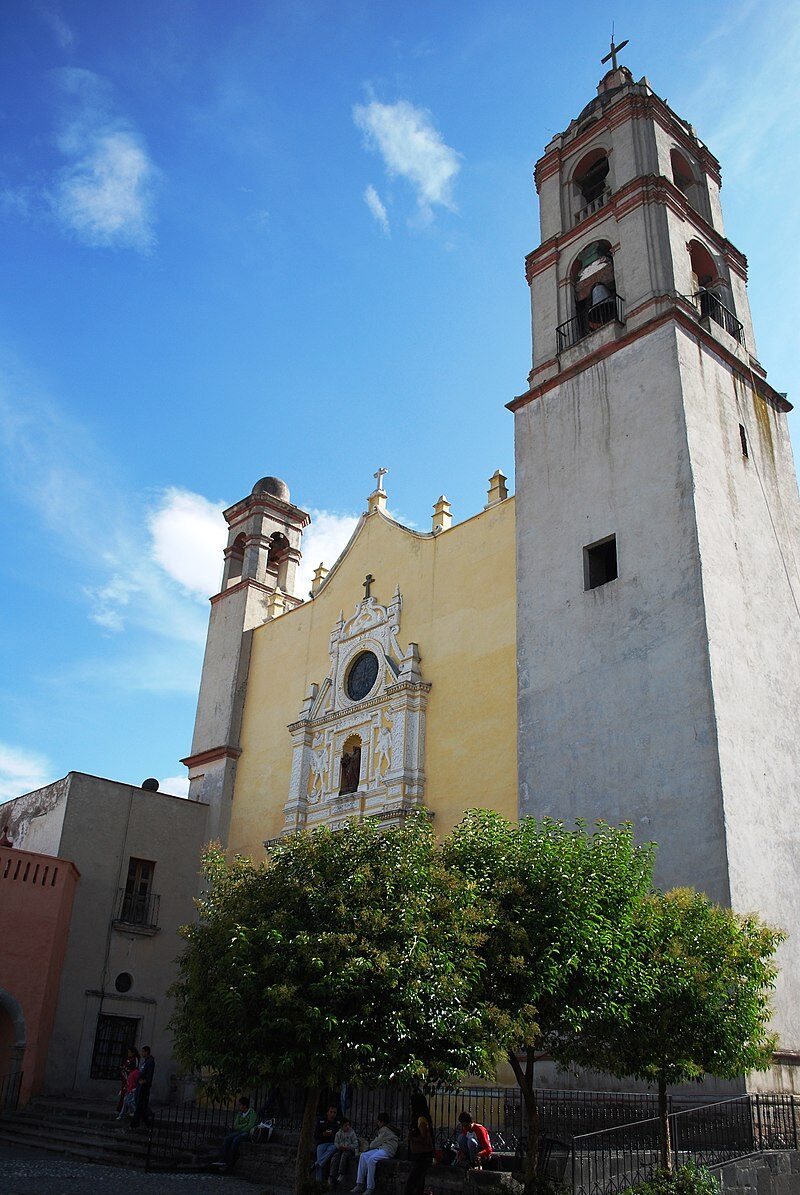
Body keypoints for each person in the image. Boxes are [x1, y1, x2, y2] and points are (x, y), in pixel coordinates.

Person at [351, 1112, 400, 1195]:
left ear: (382, 1122)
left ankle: (370, 1187)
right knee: (363, 1156)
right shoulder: (387, 1129)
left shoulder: (385, 1130)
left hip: (387, 1150)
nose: (377, 1123)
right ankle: (359, 1183)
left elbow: (374, 1144)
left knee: (371, 1159)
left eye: (378, 1122)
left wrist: (371, 1145)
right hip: (382, 1149)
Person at [212, 1096, 258, 1172]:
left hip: (248, 1133)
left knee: (236, 1140)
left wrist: (242, 1127)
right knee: (227, 1139)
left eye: (240, 1105)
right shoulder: (239, 1114)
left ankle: (230, 1162)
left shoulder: (252, 1113)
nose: (238, 1106)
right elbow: (236, 1126)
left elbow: (250, 1126)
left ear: (244, 1106)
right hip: (240, 1131)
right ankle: (222, 1160)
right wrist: (244, 1125)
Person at [405, 1115, 434, 1195]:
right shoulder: (418, 1121)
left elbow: (425, 1139)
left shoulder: (421, 1121)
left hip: (422, 1157)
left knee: (412, 1183)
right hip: (418, 1156)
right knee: (418, 1183)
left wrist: (411, 1138)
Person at [329, 1117, 359, 1188]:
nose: (347, 1127)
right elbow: (336, 1142)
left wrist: (348, 1147)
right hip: (341, 1149)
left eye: (348, 1125)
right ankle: (331, 1176)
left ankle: (341, 1173)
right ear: (342, 1127)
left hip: (349, 1150)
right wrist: (339, 1146)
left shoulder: (352, 1133)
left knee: (344, 1156)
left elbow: (356, 1144)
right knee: (335, 1157)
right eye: (345, 1125)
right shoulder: (338, 1134)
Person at [314, 1104, 342, 1181]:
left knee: (334, 1147)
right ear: (327, 1112)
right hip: (322, 1143)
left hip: (333, 1144)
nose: (332, 1114)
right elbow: (316, 1135)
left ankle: (317, 1163)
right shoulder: (321, 1121)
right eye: (331, 1112)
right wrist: (323, 1134)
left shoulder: (338, 1123)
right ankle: (318, 1182)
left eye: (334, 1113)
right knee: (320, 1163)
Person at [130, 1045, 155, 1129]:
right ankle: (148, 1122)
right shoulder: (145, 1061)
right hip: (140, 1086)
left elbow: (149, 1074)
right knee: (141, 1106)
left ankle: (134, 1124)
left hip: (144, 1087)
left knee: (140, 1105)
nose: (141, 1053)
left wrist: (145, 1081)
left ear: (146, 1052)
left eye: (143, 1051)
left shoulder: (150, 1062)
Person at [117, 1047, 139, 1114]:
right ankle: (121, 1109)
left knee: (128, 1096)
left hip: (130, 1081)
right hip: (126, 1080)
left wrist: (126, 1070)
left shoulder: (135, 1059)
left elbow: (133, 1069)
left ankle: (127, 1110)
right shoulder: (128, 1059)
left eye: (129, 1052)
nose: (128, 1054)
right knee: (124, 1095)